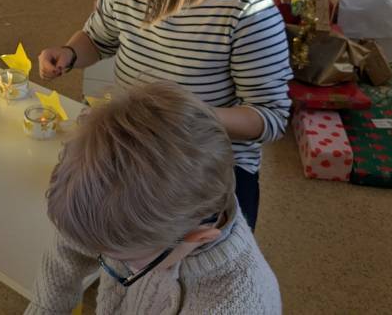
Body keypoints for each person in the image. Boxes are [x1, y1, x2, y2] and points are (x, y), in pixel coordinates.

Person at [39, 0, 293, 230]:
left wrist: (187, 116)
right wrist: (69, 53)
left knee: (160, 241)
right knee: (70, 211)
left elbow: (269, 118)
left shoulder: (246, 11)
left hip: (206, 164)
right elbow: (97, 39)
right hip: (137, 145)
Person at [26, 81, 282, 315]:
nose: (105, 258)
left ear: (200, 238)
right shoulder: (130, 218)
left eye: (124, 261)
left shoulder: (239, 305)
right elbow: (67, 248)